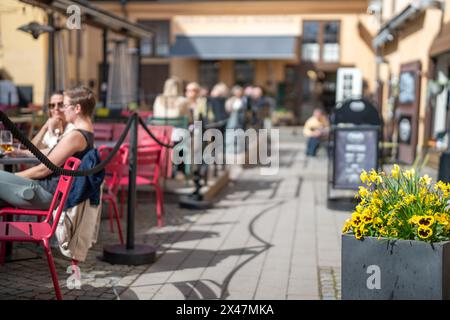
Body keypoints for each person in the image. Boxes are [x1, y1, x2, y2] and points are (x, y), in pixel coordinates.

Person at [0, 86, 96, 210]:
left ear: (77, 108)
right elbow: (53, 152)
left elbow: (43, 170)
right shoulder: (83, 134)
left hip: (46, 193)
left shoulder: (76, 136)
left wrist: (14, 176)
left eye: (65, 105)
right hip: (48, 191)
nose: (63, 110)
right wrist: (21, 152)